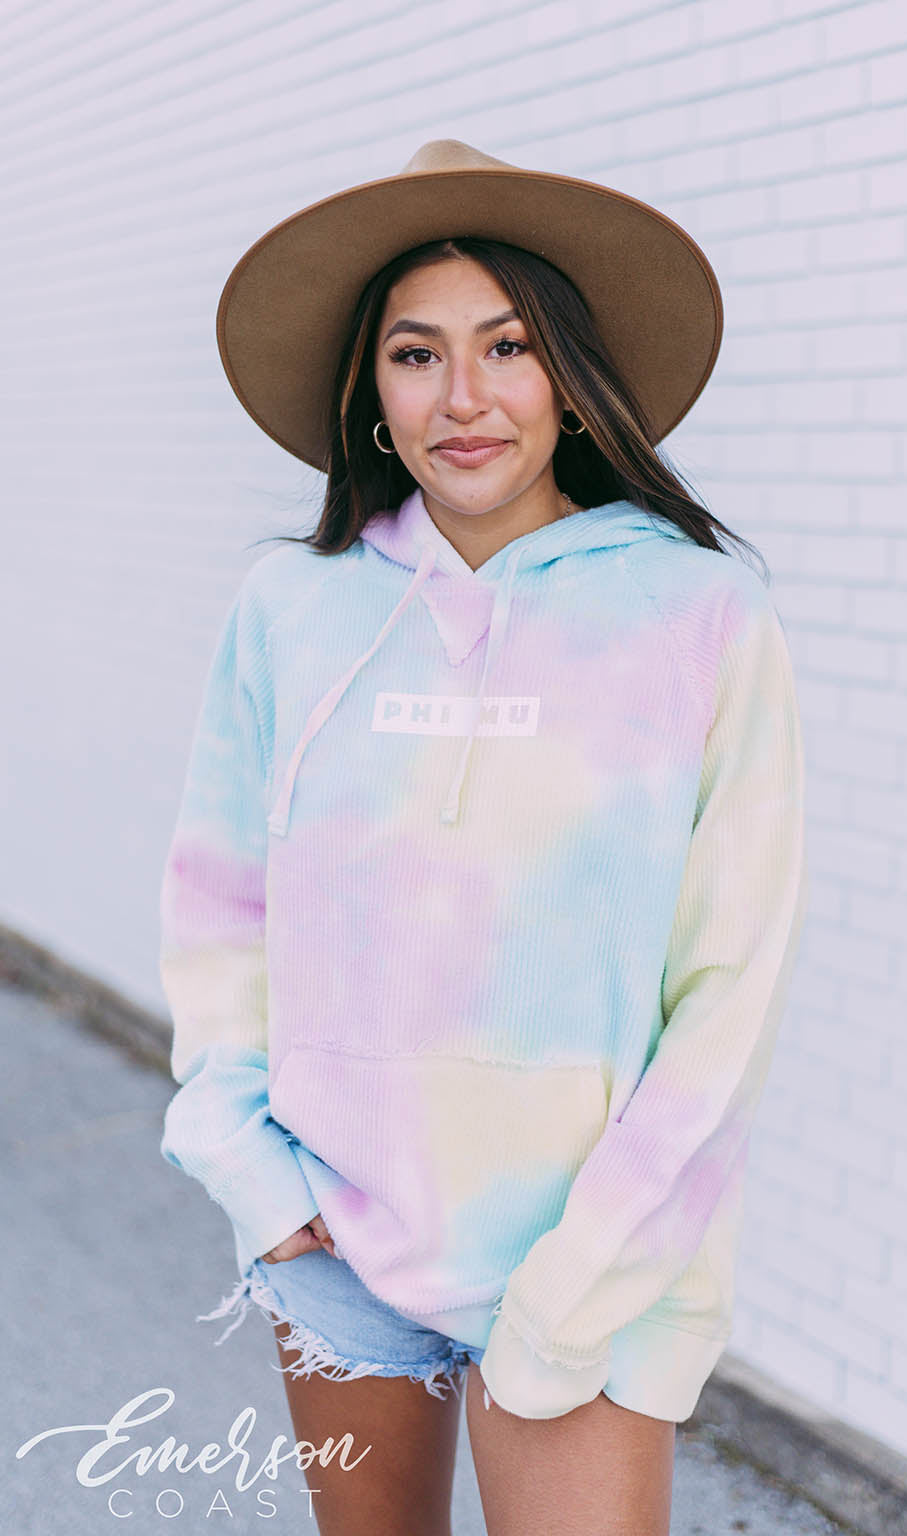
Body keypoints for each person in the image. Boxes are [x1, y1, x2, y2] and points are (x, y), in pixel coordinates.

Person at [157, 138, 807, 1536]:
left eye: (508, 346)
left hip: (594, 1262)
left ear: (569, 377)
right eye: (417, 354)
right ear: (368, 394)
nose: (464, 397)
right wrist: (251, 1171)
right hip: (336, 1238)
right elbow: (219, 910)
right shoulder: (291, 610)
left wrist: (580, 1282)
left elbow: (730, 988)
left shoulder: (700, 614)